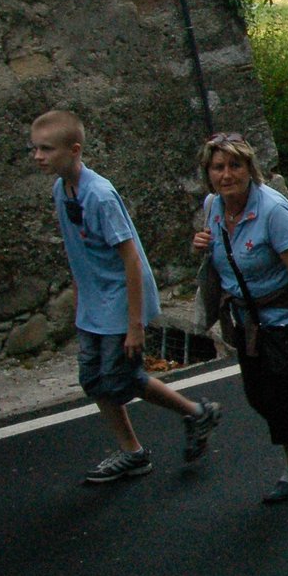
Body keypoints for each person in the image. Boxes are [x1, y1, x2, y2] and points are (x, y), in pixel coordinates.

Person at [30, 110, 222, 483]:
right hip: (95, 302)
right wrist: (81, 299)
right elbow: (78, 250)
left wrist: (135, 325)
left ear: (74, 150)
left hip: (121, 302)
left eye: (46, 149)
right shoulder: (60, 189)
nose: (37, 156)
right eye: (35, 148)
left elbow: (132, 260)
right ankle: (133, 452)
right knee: (95, 379)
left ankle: (197, 413)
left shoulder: (99, 195)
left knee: (120, 378)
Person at [195, 133, 288, 504]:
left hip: (284, 319)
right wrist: (202, 244)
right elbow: (220, 252)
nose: (226, 174)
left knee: (274, 396)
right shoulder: (213, 206)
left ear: (249, 168)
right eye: (218, 167)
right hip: (246, 322)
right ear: (208, 173)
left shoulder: (273, 210)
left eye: (234, 166)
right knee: (258, 396)